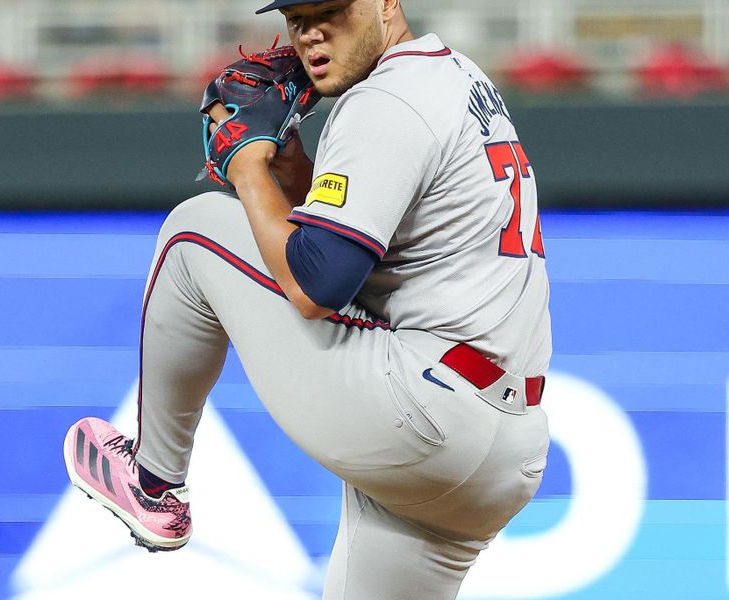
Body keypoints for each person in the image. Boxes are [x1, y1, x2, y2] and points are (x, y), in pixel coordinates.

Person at [63, 0, 552, 597]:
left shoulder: (384, 100)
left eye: (331, 12)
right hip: (504, 450)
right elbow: (376, 237)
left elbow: (316, 283)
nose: (311, 35)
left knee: (194, 230)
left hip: (424, 412)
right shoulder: (453, 74)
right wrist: (292, 173)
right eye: (297, 19)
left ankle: (152, 482)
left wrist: (248, 171)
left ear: (386, 4)